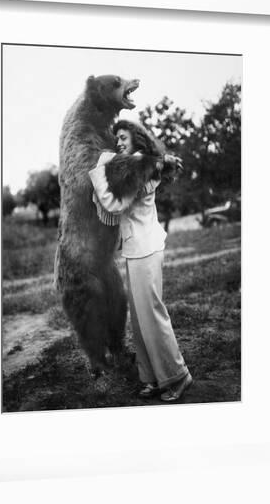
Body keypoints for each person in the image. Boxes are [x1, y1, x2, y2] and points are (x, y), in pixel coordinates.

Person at [88, 119, 192, 401]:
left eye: (123, 137)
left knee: (153, 316)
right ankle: (154, 377)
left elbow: (113, 204)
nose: (118, 142)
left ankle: (178, 375)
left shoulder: (140, 167)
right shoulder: (137, 164)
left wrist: (97, 172)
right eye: (117, 138)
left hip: (145, 248)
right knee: (141, 319)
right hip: (137, 249)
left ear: (137, 138)